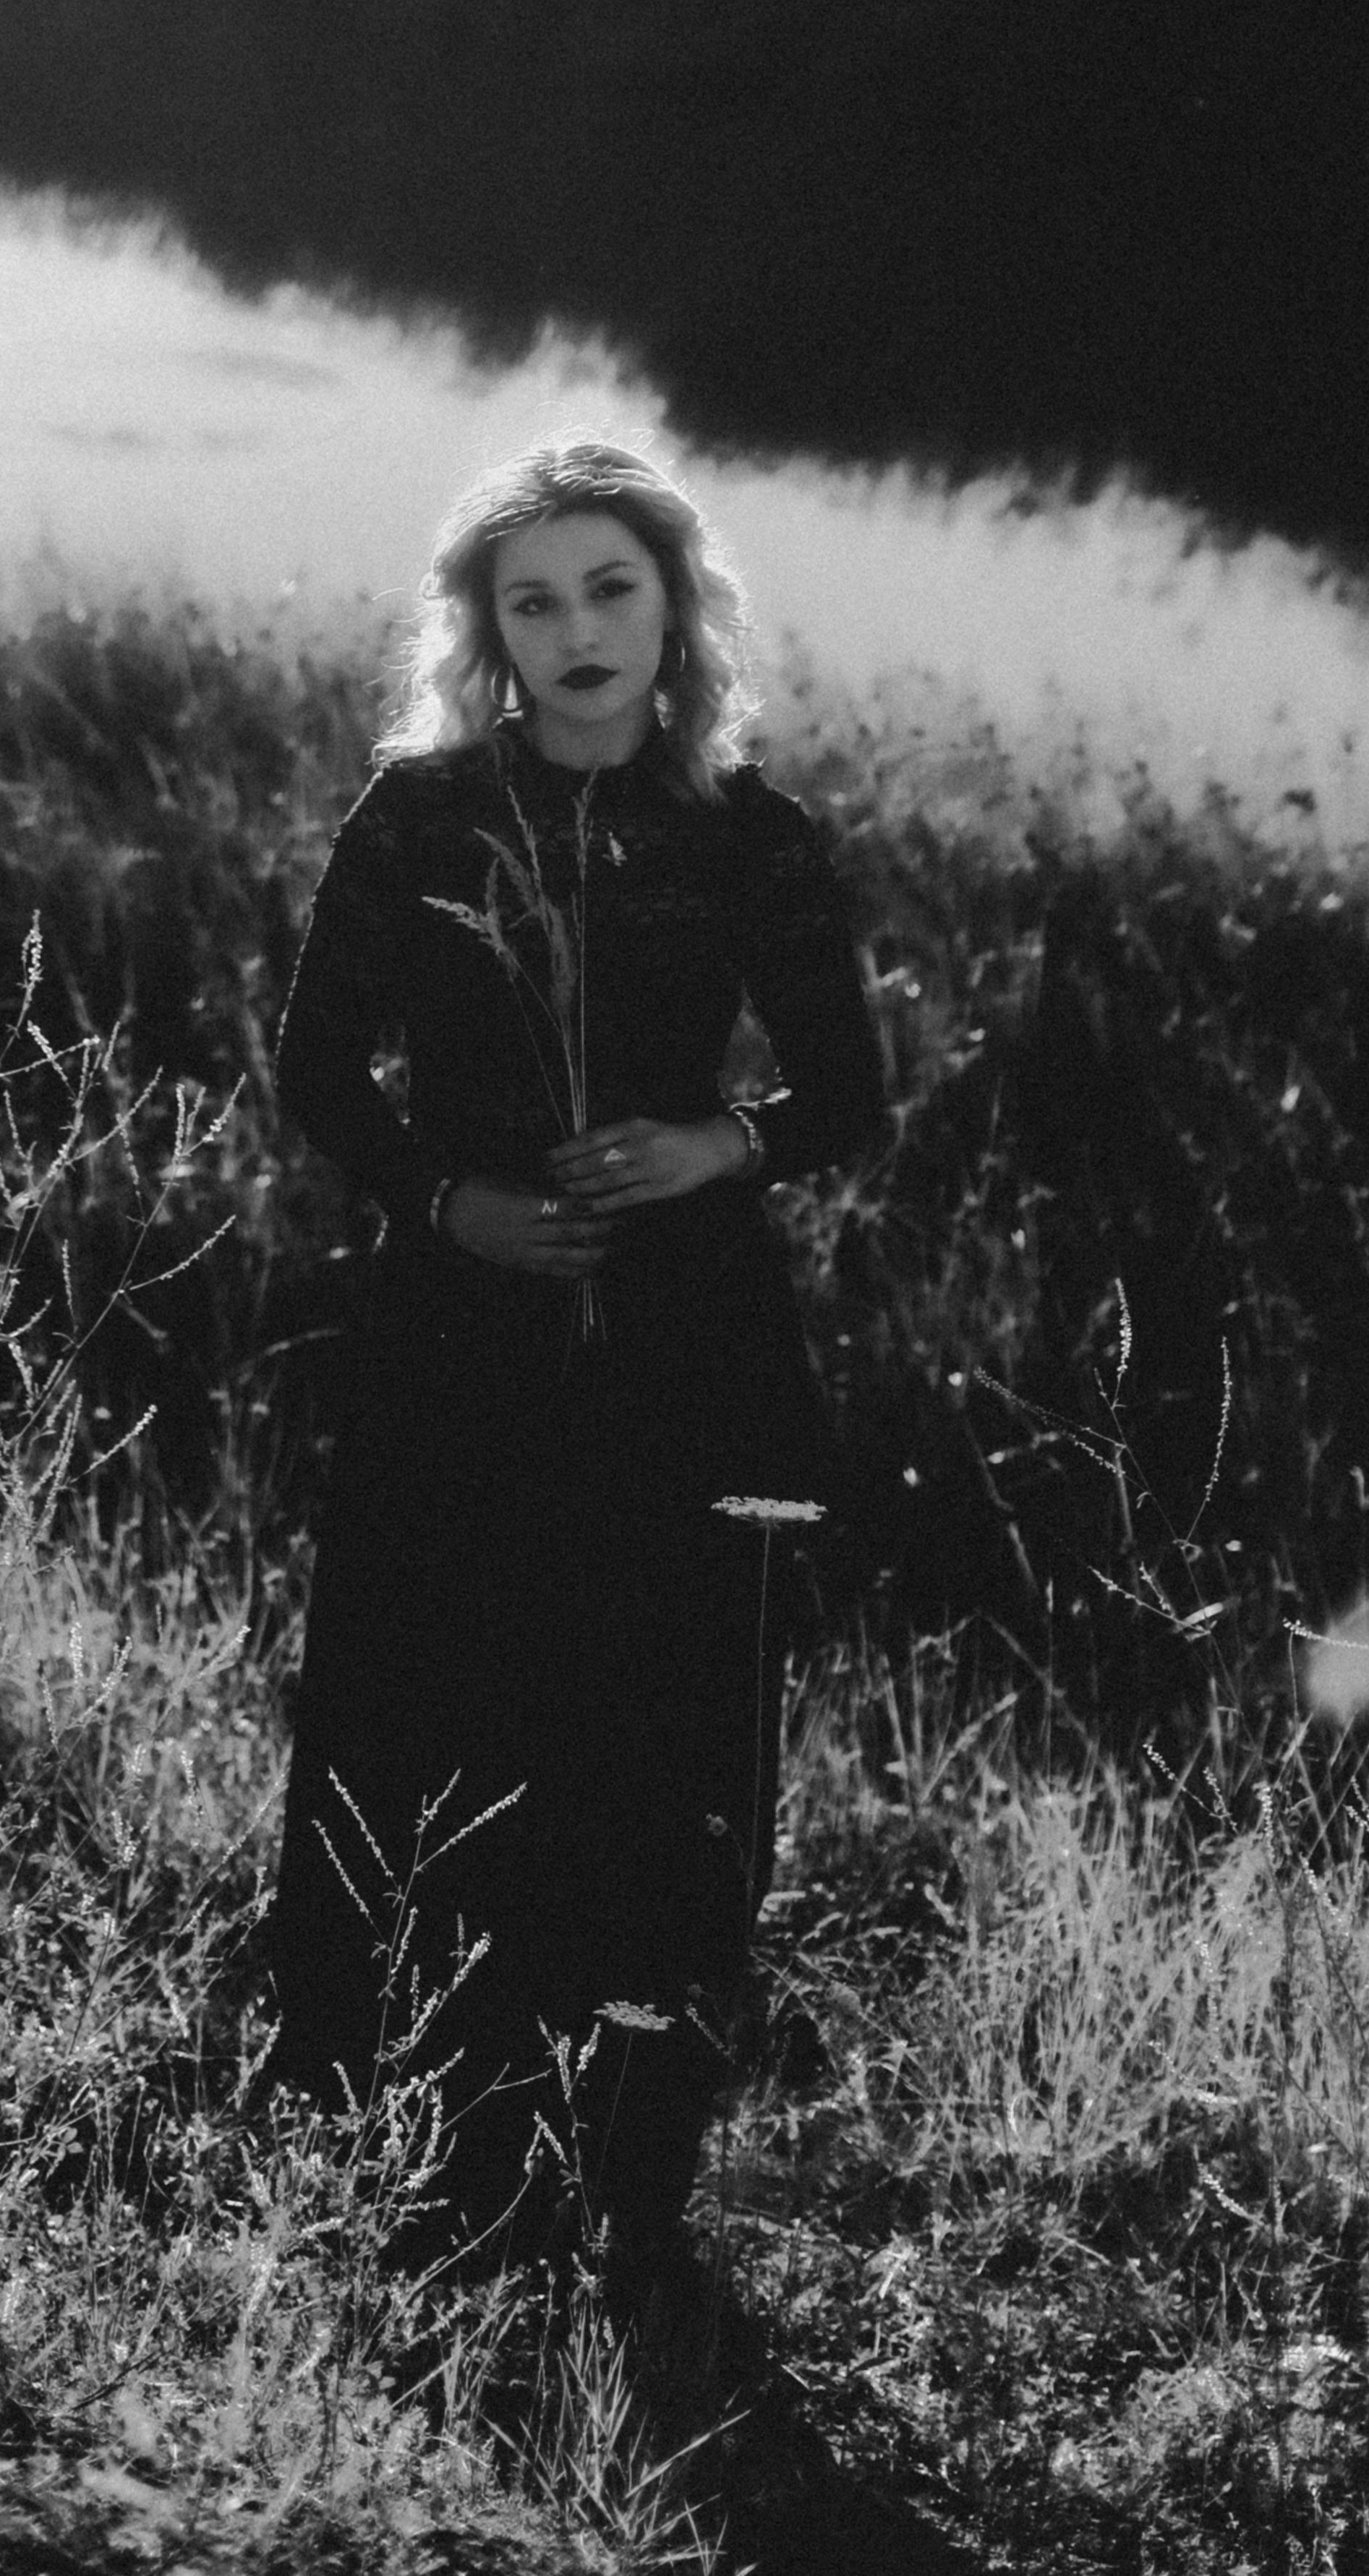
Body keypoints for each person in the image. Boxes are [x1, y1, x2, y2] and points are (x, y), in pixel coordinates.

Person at [263, 437, 888, 2316]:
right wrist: (444, 1202)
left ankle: (621, 2122)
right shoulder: (424, 815)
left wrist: (715, 1149)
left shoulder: (750, 833)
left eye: (612, 588)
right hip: (462, 1325)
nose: (578, 630)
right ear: (491, 634)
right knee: (427, 1679)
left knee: (652, 1700)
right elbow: (317, 1073)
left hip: (685, 1332)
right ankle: (383, 2094)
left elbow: (846, 1096)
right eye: (533, 601)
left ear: (674, 607)